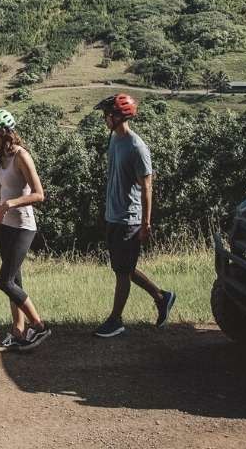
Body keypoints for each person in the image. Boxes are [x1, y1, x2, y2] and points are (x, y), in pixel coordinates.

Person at [94, 93, 177, 338]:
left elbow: (147, 186)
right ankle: (162, 297)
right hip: (114, 215)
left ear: (120, 116)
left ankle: (116, 320)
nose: (104, 119)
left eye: (107, 115)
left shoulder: (136, 146)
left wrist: (145, 223)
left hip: (129, 218)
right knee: (125, 267)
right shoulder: (114, 139)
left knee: (123, 271)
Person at [0, 109, 52, 350]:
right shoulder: (3, 156)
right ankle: (18, 332)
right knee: (14, 280)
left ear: (2, 132)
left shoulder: (21, 156)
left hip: (23, 227)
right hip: (6, 226)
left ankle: (39, 326)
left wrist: (11, 204)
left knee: (5, 282)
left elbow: (39, 195)